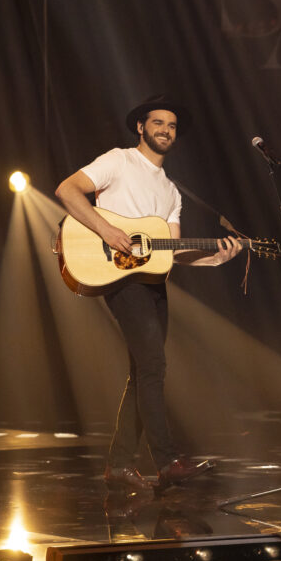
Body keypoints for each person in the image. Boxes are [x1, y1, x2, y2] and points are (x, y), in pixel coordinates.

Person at [56, 94, 243, 491]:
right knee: (154, 367)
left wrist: (216, 259)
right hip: (120, 277)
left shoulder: (173, 192)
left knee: (142, 372)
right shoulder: (119, 160)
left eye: (172, 126)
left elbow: (170, 251)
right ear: (141, 127)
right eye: (158, 123)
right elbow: (67, 190)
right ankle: (168, 461)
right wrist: (107, 231)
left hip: (152, 283)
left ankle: (120, 466)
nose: (165, 130)